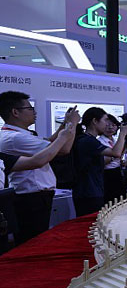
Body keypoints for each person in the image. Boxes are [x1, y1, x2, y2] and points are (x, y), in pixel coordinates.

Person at [0, 92, 80, 243]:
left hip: (32, 196)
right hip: (31, 198)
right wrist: (72, 124)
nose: (34, 112)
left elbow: (49, 142)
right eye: (30, 109)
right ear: (15, 112)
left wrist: (64, 124)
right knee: (33, 241)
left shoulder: (18, 134)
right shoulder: (16, 138)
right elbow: (63, 149)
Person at [72, 108, 127, 216]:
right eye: (105, 120)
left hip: (91, 190)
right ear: (95, 121)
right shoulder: (88, 141)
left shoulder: (88, 139)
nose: (107, 124)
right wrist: (122, 134)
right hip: (88, 192)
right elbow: (116, 153)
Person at [98, 114, 126, 204]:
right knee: (109, 202)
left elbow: (119, 155)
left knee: (121, 201)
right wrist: (115, 156)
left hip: (117, 172)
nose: (110, 128)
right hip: (106, 174)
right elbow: (102, 161)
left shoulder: (116, 139)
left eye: (113, 125)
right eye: (107, 125)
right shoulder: (99, 141)